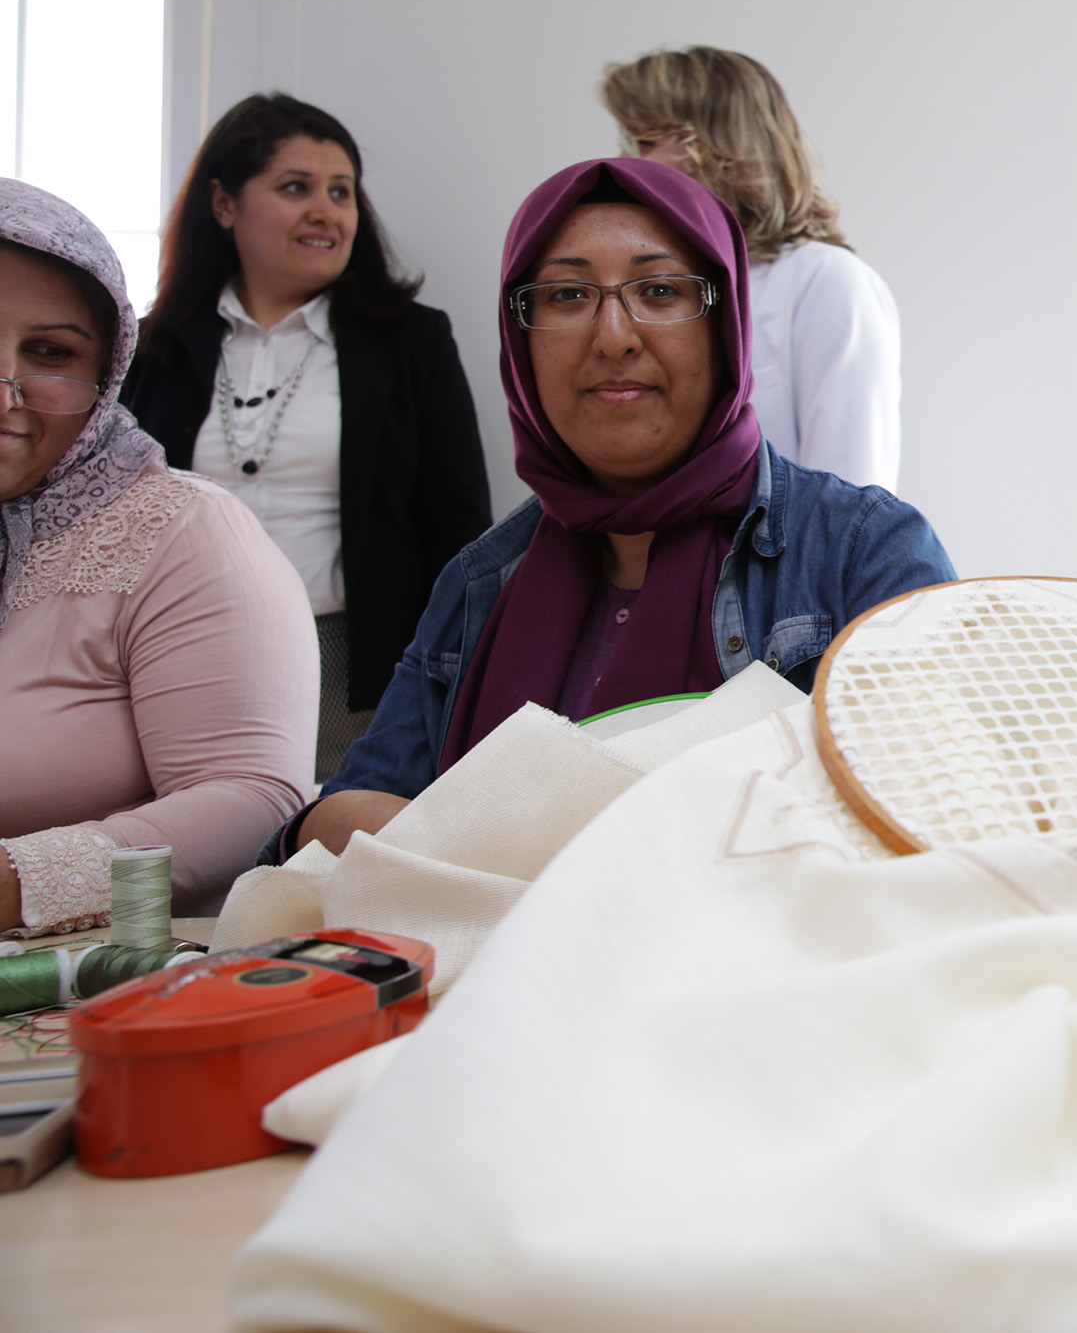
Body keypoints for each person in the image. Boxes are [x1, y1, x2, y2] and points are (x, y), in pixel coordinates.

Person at [284, 157, 953, 858]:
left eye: (660, 290)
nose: (613, 336)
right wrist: (326, 824)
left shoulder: (863, 550)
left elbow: (945, 823)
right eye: (567, 295)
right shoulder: (477, 585)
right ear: (521, 341)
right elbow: (336, 831)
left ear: (726, 325)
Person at [124, 94, 492, 779]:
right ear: (224, 204)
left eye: (341, 191)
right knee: (197, 828)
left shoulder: (412, 341)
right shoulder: (153, 348)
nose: (326, 210)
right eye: (296, 187)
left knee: (327, 833)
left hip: (352, 663)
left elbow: (457, 524)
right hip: (180, 649)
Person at [0, 181, 315, 931]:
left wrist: (18, 883)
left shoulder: (180, 531)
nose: (4, 391)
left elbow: (254, 799)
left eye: (50, 353)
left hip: (100, 981)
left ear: (107, 374)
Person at [602, 46, 902, 490]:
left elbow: (851, 493)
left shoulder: (824, 280)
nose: (626, 165)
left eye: (645, 143)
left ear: (716, 150)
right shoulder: (656, 287)